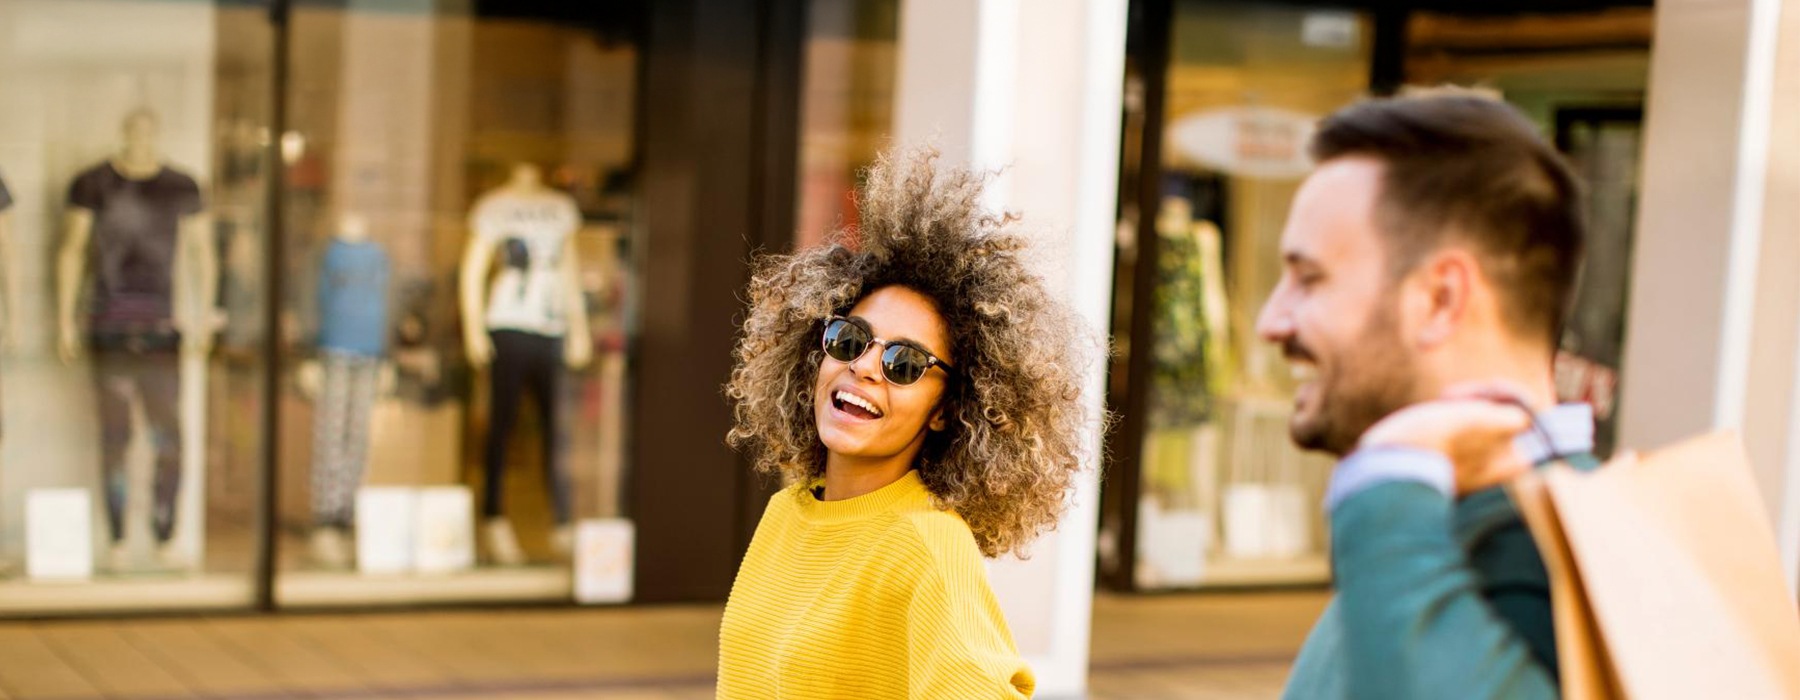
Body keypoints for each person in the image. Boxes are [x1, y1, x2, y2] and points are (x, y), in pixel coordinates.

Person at [717, 147, 1093, 698]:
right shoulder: (787, 513)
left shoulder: (927, 547)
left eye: (905, 364)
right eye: (850, 340)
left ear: (947, 409)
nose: (865, 367)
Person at [1259, 92, 1592, 699]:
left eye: (1309, 279)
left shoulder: (1542, 565)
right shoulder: (1444, 521)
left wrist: (1386, 479)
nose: (1271, 321)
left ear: (1442, 299)